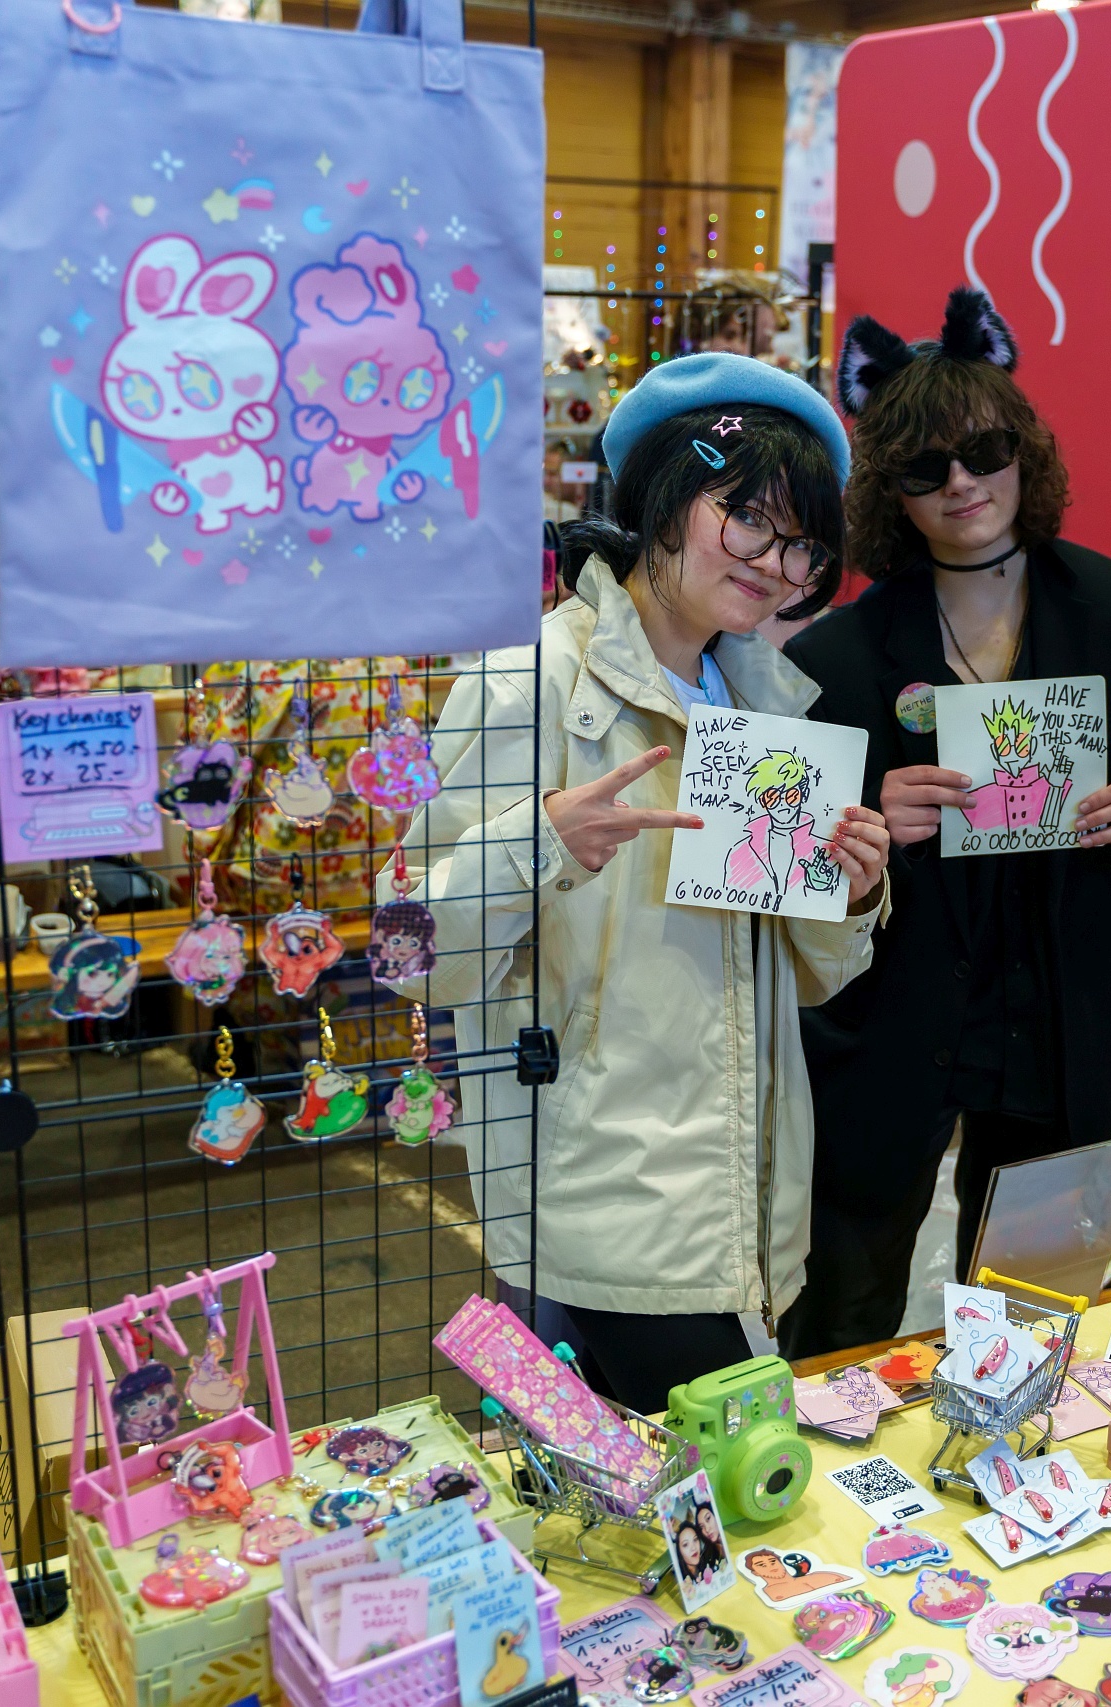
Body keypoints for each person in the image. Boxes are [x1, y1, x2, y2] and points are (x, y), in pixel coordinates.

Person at [395, 353, 890, 1414]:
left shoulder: (762, 702)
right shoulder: (530, 680)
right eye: (748, 519)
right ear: (665, 495)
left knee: (666, 1494)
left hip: (743, 1191)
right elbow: (412, 954)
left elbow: (807, 978)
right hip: (600, 1189)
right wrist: (537, 842)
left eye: (802, 545)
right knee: (732, 1463)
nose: (775, 565)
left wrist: (851, 893)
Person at [779, 289, 1111, 1357]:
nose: (961, 483)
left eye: (981, 451)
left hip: (1066, 1014)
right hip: (893, 1030)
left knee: (1034, 1309)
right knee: (842, 1308)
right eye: (924, 467)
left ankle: (1016, 1444)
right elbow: (794, 859)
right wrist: (864, 823)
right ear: (889, 490)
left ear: (1024, 450)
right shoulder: (832, 656)